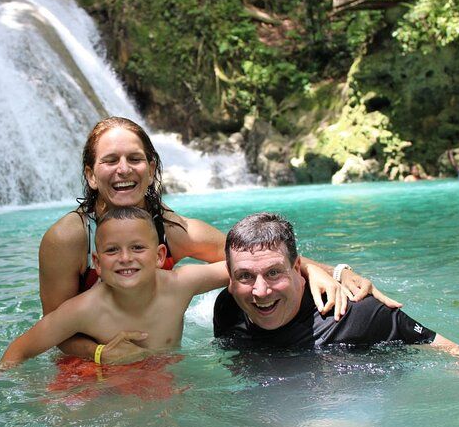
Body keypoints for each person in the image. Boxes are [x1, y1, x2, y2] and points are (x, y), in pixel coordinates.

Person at [40, 116, 398, 364]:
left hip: (159, 364)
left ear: (151, 170)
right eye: (110, 161)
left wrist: (329, 271)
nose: (123, 170)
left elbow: (253, 255)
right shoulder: (68, 238)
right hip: (88, 370)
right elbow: (55, 332)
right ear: (90, 174)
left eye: (135, 159)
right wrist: (102, 356)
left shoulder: (171, 230)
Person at [0, 207, 229, 370]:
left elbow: (237, 267)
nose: (125, 258)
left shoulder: (181, 284)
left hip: (168, 382)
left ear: (160, 256)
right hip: (111, 389)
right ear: (97, 263)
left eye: (137, 247)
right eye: (112, 250)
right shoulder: (84, 309)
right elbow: (19, 350)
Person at [214, 212, 459, 358]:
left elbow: (452, 352)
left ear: (297, 268)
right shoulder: (229, 306)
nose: (260, 291)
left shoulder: (359, 313)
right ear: (230, 275)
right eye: (245, 276)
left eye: (273, 273)